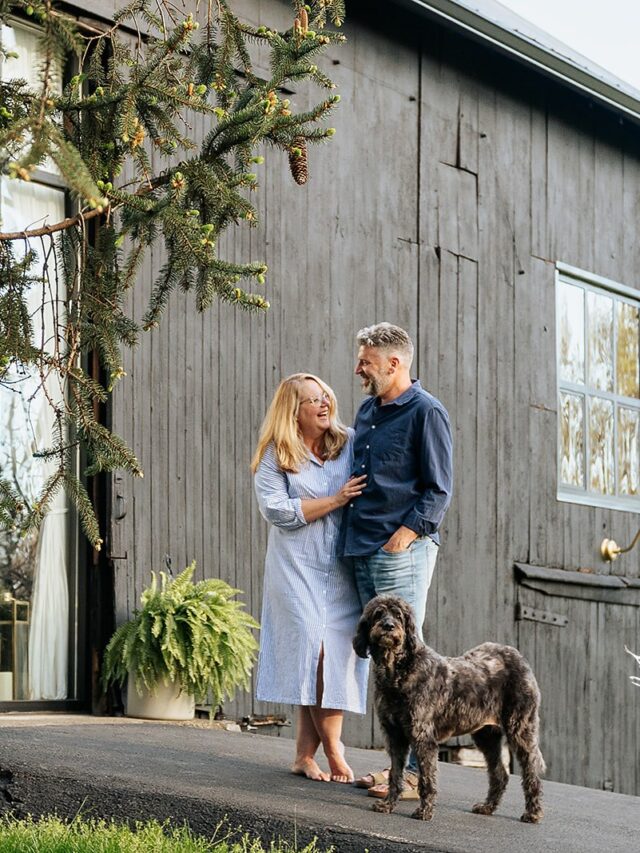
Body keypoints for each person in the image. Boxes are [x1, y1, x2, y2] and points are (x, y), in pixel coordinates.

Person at [339, 322, 453, 799]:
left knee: (409, 666)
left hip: (397, 551)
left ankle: (411, 776)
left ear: (395, 363)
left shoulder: (427, 412)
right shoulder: (368, 411)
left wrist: (404, 535)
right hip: (361, 549)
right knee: (382, 668)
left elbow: (438, 488)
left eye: (366, 361)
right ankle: (394, 767)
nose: (359, 368)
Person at [252, 373, 369, 783]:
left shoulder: (349, 441)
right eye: (312, 400)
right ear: (293, 411)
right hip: (295, 568)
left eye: (325, 397)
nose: (323, 405)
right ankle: (335, 748)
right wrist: (335, 500)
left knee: (329, 655)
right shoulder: (275, 454)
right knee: (313, 652)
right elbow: (278, 511)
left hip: (340, 569)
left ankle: (304, 755)